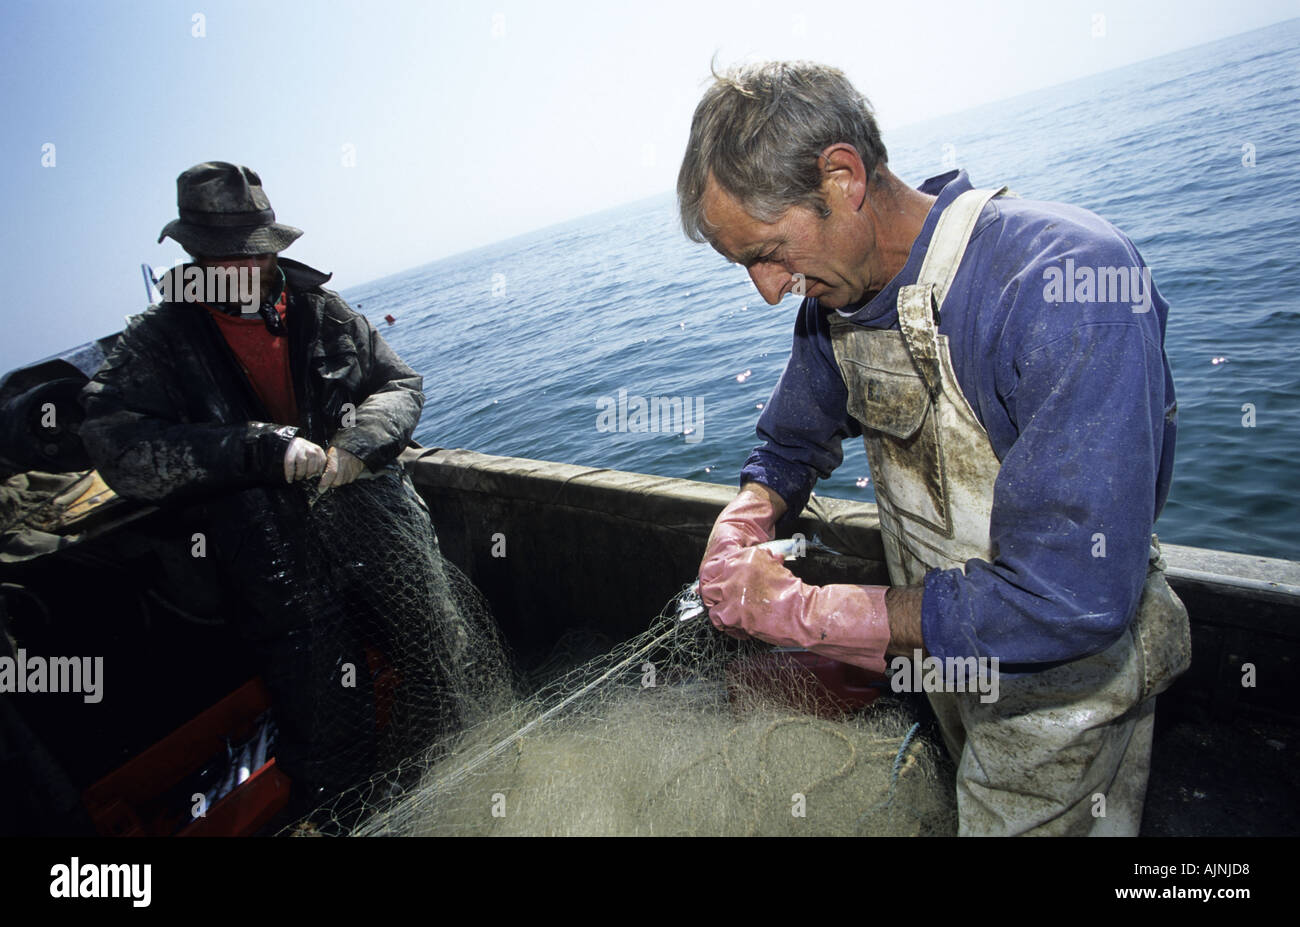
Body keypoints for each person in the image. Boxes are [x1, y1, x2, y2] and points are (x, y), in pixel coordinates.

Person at [679, 63, 1192, 836]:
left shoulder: (1062, 285)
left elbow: (1068, 595)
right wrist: (747, 516)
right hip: (942, 654)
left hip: (1062, 692)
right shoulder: (837, 302)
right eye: (746, 264)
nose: (769, 288)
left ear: (843, 176)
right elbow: (791, 441)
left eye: (771, 251)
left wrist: (813, 613)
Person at [80, 161, 464, 819]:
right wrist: (259, 448)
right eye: (226, 255)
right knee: (326, 716)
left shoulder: (320, 308)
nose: (248, 269)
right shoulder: (159, 342)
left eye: (257, 253)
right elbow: (114, 442)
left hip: (377, 523)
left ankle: (460, 789)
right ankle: (347, 821)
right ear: (194, 255)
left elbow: (401, 384)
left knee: (441, 651)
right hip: (273, 563)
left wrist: (358, 445)